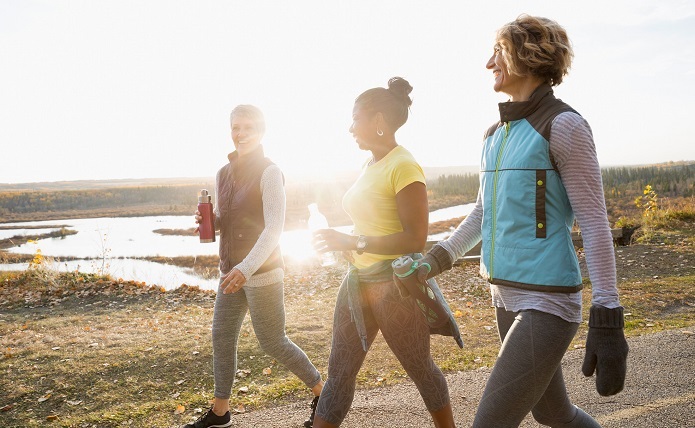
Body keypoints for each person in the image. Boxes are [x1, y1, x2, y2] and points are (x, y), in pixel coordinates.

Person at [414, 15, 629, 427]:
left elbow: (595, 224)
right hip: (504, 296)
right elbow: (481, 214)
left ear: (526, 54)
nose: (489, 62)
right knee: (554, 414)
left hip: (547, 300)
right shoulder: (494, 134)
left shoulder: (564, 126)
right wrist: (434, 260)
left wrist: (608, 312)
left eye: (497, 51)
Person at [310, 77, 457, 428]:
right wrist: (353, 244)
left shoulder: (404, 165)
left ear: (378, 121)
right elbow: (372, 225)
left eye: (356, 118)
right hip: (358, 283)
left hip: (395, 288)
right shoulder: (370, 166)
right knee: (339, 375)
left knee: (421, 370)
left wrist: (354, 242)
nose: (350, 127)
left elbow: (415, 239)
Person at [184, 105, 324, 428]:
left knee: (273, 341)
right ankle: (220, 413)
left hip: (261, 273)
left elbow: (274, 228)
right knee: (221, 335)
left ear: (261, 131)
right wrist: (210, 221)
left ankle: (323, 392)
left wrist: (246, 268)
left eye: (248, 127)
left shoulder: (270, 172)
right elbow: (230, 217)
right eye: (236, 127)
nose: (240, 133)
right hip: (230, 271)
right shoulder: (222, 173)